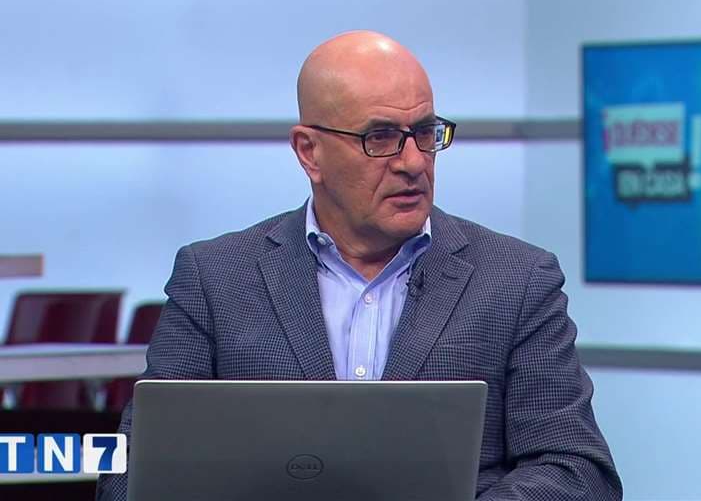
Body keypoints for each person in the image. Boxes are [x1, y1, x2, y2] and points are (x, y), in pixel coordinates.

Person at [96, 30, 622, 501]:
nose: (413, 162)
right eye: (381, 138)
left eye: (425, 133)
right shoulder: (216, 279)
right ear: (309, 152)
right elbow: (130, 472)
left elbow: (577, 472)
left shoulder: (516, 280)